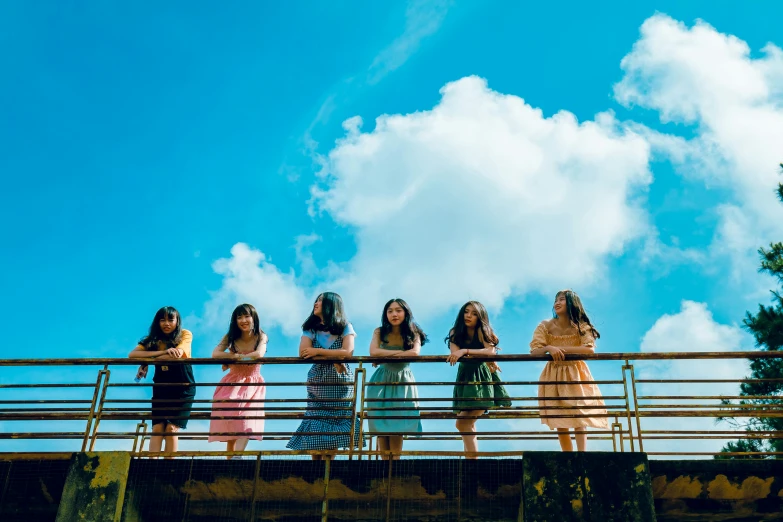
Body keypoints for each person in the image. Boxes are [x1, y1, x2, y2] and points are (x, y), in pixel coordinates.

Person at [529, 289, 608, 451]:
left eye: (562, 299)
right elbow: (535, 350)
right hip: (554, 373)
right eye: (556, 300)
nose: (557, 302)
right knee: (559, 417)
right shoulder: (545, 325)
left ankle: (581, 455)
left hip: (576, 373)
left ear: (572, 303)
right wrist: (549, 348)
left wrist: (559, 348)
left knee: (580, 414)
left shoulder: (582, 326)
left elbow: (589, 349)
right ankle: (567, 456)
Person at [286, 292, 362, 459]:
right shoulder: (310, 328)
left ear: (331, 305)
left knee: (336, 417)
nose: (316, 303)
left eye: (321, 301)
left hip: (339, 379)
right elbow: (303, 352)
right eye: (317, 300)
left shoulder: (345, 326)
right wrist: (334, 355)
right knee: (316, 417)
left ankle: (327, 467)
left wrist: (317, 351)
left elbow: (347, 353)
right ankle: (317, 470)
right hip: (319, 378)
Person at [446, 301, 511, 458]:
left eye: (474, 313)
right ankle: (472, 460)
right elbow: (454, 354)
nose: (469, 316)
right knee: (468, 423)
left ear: (480, 317)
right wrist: (466, 352)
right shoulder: (456, 332)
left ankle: (472, 461)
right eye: (466, 312)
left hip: (481, 378)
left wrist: (465, 351)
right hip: (465, 379)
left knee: (462, 423)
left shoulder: (482, 330)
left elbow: (490, 351)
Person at [129, 306, 195, 457]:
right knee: (158, 428)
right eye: (162, 320)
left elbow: (177, 354)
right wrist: (163, 352)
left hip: (183, 386)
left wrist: (147, 358)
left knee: (171, 428)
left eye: (171, 319)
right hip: (161, 386)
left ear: (177, 321)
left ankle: (169, 467)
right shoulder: (152, 340)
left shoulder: (185, 334)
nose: (166, 323)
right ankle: (152, 465)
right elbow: (132, 355)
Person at [366, 298, 426, 460]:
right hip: (381, 380)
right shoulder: (379, 331)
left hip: (403, 380)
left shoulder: (413, 332)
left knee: (397, 424)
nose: (394, 314)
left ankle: (395, 467)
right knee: (381, 424)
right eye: (390, 311)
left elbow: (414, 353)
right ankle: (385, 469)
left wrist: (385, 355)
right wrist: (400, 355)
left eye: (398, 310)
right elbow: (373, 352)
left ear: (406, 312)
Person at [208, 304, 267, 459]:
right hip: (232, 382)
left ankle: (237, 456)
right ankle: (230, 458)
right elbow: (215, 354)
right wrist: (234, 357)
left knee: (247, 418)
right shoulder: (230, 337)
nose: (243, 320)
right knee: (231, 419)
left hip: (252, 383)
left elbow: (258, 354)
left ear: (254, 318)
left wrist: (234, 357)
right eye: (239, 317)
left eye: (246, 316)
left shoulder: (261, 336)